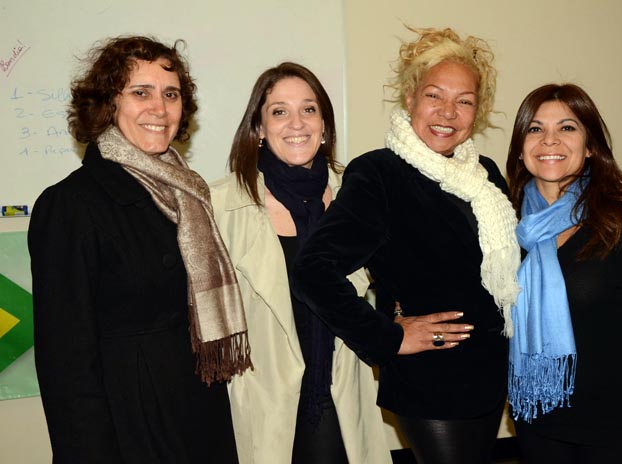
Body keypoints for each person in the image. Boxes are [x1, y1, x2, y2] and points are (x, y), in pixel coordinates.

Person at [291, 27, 521, 464]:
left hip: (490, 374)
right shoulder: (379, 174)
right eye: (434, 95)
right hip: (430, 380)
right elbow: (313, 269)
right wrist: (387, 337)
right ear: (411, 97)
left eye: (464, 101)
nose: (448, 112)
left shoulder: (486, 175)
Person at [28, 36, 250, 463]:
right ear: (108, 104)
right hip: (129, 425)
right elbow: (65, 362)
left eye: (171, 94)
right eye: (141, 93)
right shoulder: (71, 205)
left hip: (199, 411)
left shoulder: (188, 193)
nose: (160, 109)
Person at [210, 62, 391, 464]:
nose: (297, 123)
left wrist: (396, 329)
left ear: (324, 126)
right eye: (280, 111)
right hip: (264, 400)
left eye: (309, 109)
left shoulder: (356, 195)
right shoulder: (220, 205)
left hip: (340, 392)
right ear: (259, 128)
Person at [505, 83, 622, 464]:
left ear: (590, 145)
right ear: (521, 148)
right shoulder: (505, 228)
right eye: (536, 128)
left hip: (620, 422)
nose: (549, 140)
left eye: (567, 127)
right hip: (539, 419)